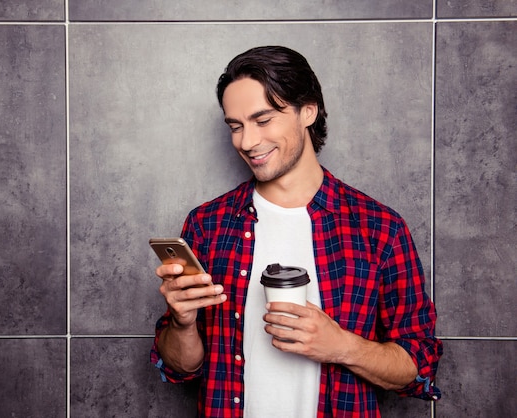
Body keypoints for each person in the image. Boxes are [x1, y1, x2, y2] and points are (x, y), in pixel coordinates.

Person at [150, 46, 442, 417]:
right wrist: (182, 321)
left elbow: (417, 366)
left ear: (308, 111)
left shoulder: (378, 229)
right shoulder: (208, 224)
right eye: (236, 126)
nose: (247, 141)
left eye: (263, 119)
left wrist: (340, 346)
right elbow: (181, 367)